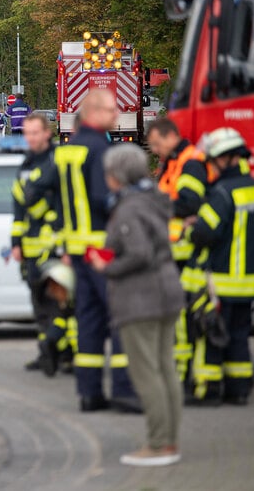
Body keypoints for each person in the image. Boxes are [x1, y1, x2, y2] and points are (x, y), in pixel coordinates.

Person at [24, 89, 140, 413]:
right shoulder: (103, 150)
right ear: (94, 113)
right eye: (112, 110)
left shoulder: (63, 153)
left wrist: (56, 219)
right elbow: (107, 200)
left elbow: (32, 192)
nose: (116, 115)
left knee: (88, 321)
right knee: (120, 318)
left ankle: (89, 394)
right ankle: (123, 390)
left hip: (75, 252)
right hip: (102, 250)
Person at [89, 144, 184, 467]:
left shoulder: (128, 208)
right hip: (167, 290)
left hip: (142, 298)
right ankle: (169, 441)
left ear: (117, 176)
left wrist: (106, 267)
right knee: (165, 368)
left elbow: (138, 253)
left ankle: (158, 445)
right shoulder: (153, 199)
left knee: (147, 373)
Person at [183, 128, 254, 407]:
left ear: (225, 158)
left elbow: (205, 233)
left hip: (220, 281)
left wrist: (189, 229)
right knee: (239, 337)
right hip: (248, 280)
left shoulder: (221, 193)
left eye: (213, 160)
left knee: (212, 335)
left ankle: (207, 391)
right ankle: (239, 389)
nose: (211, 165)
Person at [146, 117, 211, 384]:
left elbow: (189, 203)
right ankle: (179, 372)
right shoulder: (173, 161)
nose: (155, 150)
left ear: (169, 136)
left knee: (184, 317)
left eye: (156, 144)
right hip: (172, 251)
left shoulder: (190, 162)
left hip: (185, 252)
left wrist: (155, 203)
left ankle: (185, 376)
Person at [11, 112, 65, 374]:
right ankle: (46, 353)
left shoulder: (58, 162)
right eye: (27, 133)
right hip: (31, 248)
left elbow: (64, 206)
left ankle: (62, 353)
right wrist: (16, 242)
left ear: (47, 132)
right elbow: (19, 208)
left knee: (58, 303)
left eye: (35, 132)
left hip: (54, 247)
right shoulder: (26, 164)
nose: (31, 138)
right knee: (39, 306)